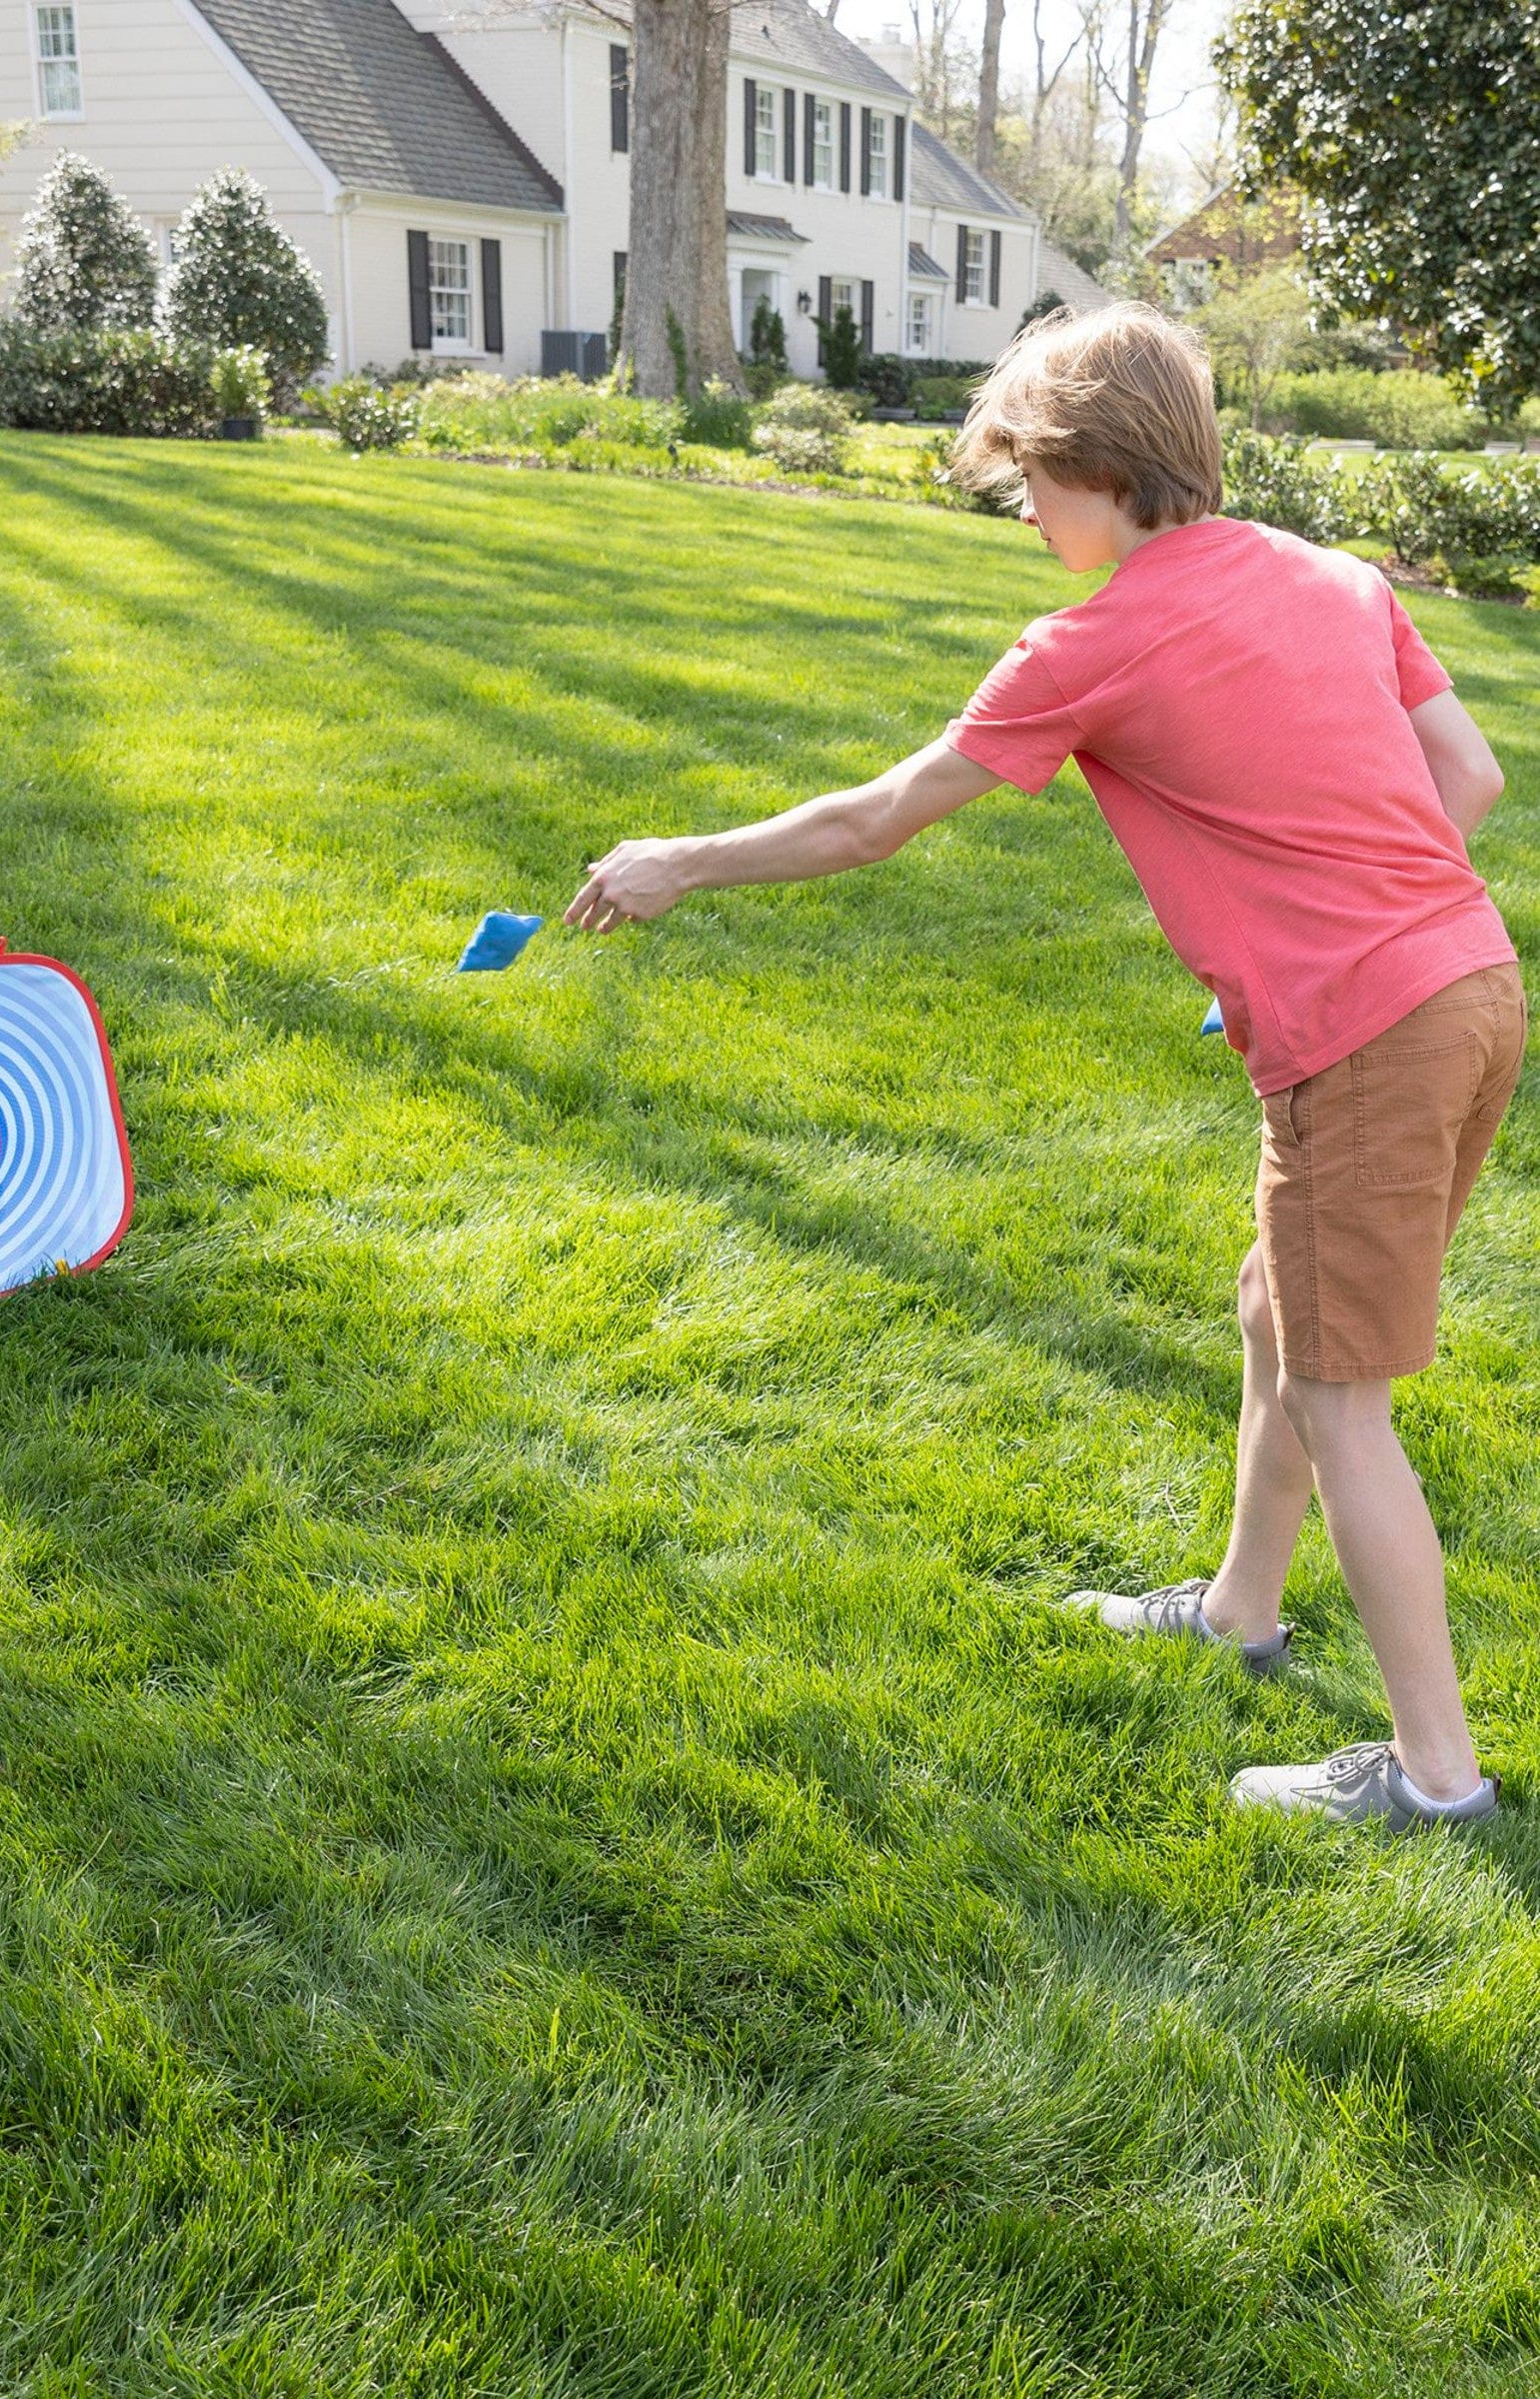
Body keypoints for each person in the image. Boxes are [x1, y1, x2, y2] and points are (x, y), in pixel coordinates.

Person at [564, 303, 1523, 1830]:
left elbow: (871, 819)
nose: (1023, 515)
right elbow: (1459, 778)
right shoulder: (1328, 577)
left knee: (1344, 1398)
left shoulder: (1085, 645)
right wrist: (1345, 928)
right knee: (1276, 1309)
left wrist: (680, 860)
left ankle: (1433, 1778)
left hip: (1366, 1031)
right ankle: (1236, 1614)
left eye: (1026, 482)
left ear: (1093, 465)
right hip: (1470, 985)